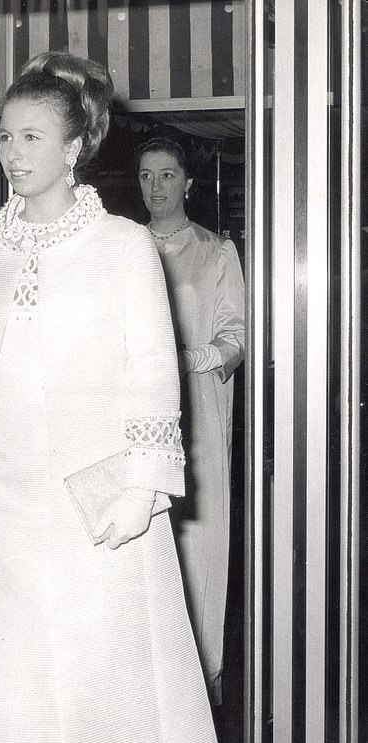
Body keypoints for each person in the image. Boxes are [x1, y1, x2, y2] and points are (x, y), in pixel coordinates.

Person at [0, 53, 239, 743]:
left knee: (92, 686)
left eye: (31, 136)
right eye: (3, 136)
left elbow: (154, 378)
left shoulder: (124, 247)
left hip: (88, 509)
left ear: (73, 148)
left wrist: (139, 490)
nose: (13, 154)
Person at [137, 136, 246, 706]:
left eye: (167, 176)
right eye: (147, 176)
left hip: (197, 417)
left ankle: (201, 697)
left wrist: (197, 357)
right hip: (134, 414)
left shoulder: (216, 251)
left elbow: (237, 336)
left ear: (188, 183)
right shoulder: (124, 246)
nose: (156, 187)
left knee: (198, 548)